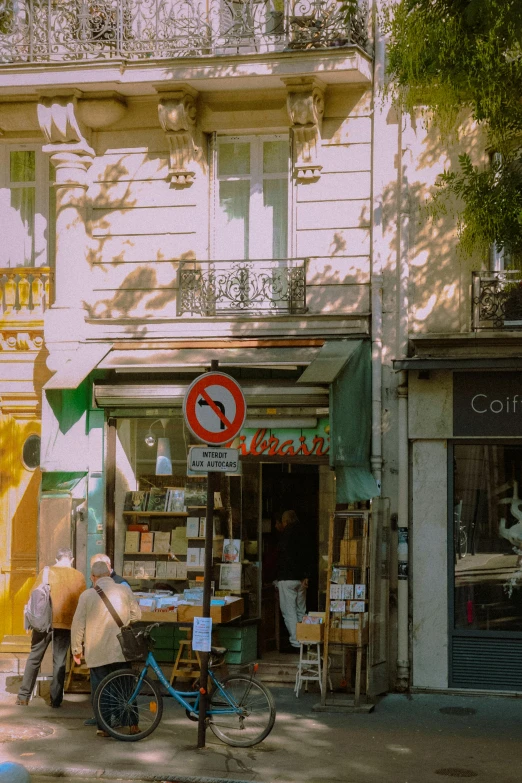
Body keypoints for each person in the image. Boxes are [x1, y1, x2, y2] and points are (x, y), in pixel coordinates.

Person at [71, 560, 141, 736]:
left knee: (101, 689)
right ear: (109, 574)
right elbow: (137, 614)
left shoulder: (87, 596)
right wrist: (125, 622)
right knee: (125, 686)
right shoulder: (124, 590)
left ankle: (104, 727)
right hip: (121, 649)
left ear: (93, 577)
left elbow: (77, 625)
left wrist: (76, 649)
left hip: (97, 651)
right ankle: (132, 724)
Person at [16, 547, 86, 707]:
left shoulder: (46, 572)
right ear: (71, 560)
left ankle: (23, 696)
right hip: (66, 623)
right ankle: (55, 700)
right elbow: (82, 602)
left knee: (34, 657)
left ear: (56, 559)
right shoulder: (78, 576)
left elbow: (33, 594)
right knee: (59, 661)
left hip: (44, 622)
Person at [276, 510, 309, 650]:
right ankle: (306, 639)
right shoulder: (304, 533)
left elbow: (284, 556)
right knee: (301, 610)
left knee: (289, 612)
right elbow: (308, 554)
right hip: (301, 579)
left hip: (287, 578)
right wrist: (305, 575)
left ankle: (296, 643)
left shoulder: (285, 536)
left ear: (285, 522)